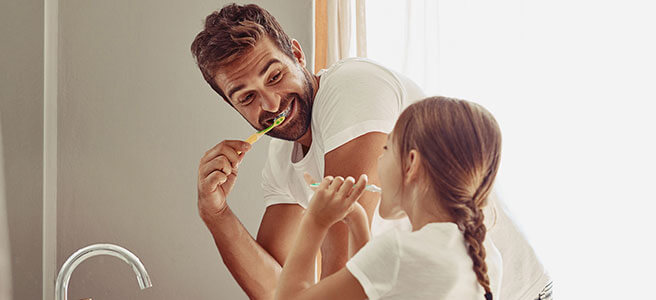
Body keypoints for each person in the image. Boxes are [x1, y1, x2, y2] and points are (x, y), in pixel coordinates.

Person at [191, 3, 550, 299]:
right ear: (232, 105)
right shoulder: (282, 160)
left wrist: (317, 221)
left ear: (297, 55)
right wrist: (216, 213)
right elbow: (274, 290)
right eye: (247, 97)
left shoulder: (350, 89)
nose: (271, 103)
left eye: (274, 76)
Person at [276, 96, 503, 299]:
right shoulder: (486, 256)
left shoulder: (399, 252)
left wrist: (316, 221)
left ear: (411, 163)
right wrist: (357, 220)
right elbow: (374, 290)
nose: (379, 160)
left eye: (386, 148)